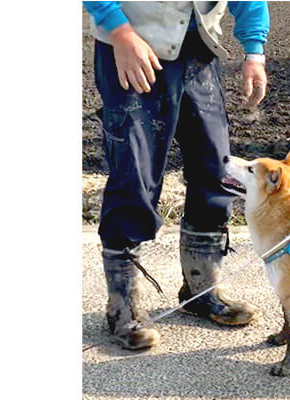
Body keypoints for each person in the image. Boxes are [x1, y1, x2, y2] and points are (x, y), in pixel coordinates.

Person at [83, 1, 270, 350]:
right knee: (134, 174)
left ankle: (202, 288)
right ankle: (122, 306)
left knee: (215, 169)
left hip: (199, 53)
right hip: (131, 48)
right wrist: (120, 33)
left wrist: (254, 52)